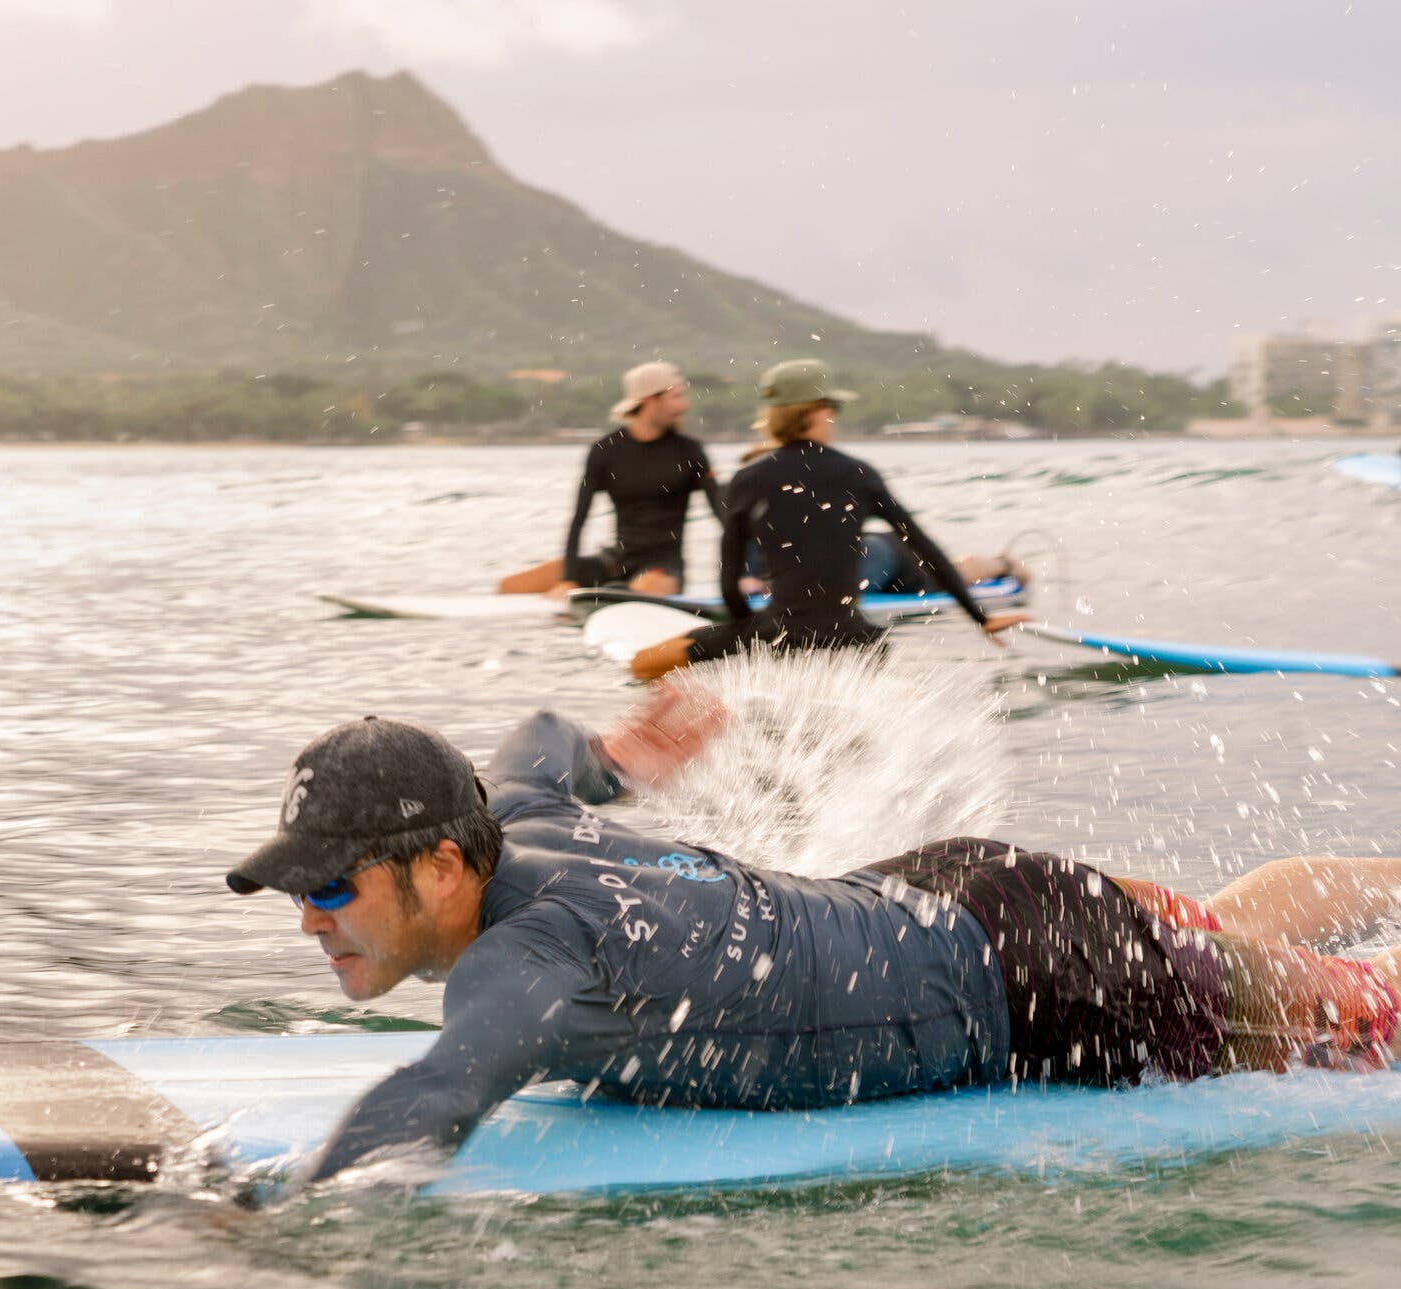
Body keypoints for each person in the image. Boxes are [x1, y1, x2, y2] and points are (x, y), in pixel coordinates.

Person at [226, 687, 1401, 1185]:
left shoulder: (520, 967)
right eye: (296, 892)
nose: (309, 919)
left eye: (332, 889)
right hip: (959, 891)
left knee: (1358, 1017)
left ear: (440, 866)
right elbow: (539, 738)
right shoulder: (512, 814)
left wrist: (257, 1221)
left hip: (1040, 983)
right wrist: (618, 763)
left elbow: (433, 1100)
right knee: (1242, 925)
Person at [631, 359, 1029, 681]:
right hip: (856, 639)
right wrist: (981, 620)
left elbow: (729, 579)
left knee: (644, 664)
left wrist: (745, 637)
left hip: (779, 632)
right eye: (833, 410)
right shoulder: (857, 472)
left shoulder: (748, 479)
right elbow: (925, 548)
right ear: (819, 412)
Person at [498, 361, 723, 598]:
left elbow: (723, 515)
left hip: (662, 569)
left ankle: (615, 597)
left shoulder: (689, 452)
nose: (684, 405)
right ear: (650, 400)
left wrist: (748, 573)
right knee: (509, 586)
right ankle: (607, 595)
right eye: (676, 397)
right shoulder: (605, 451)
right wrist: (568, 579)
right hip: (614, 561)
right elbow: (578, 520)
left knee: (636, 594)